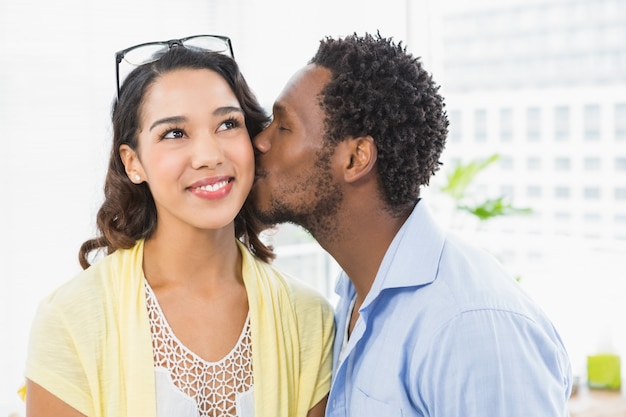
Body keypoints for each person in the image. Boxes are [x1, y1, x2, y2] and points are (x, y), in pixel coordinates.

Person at [250, 32, 572, 416]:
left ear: (355, 158)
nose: (259, 142)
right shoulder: (356, 297)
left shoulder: (471, 327)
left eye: (283, 127)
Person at [23, 35, 334, 417]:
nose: (208, 155)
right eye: (174, 133)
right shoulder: (71, 321)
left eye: (227, 124)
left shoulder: (310, 318)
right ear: (132, 162)